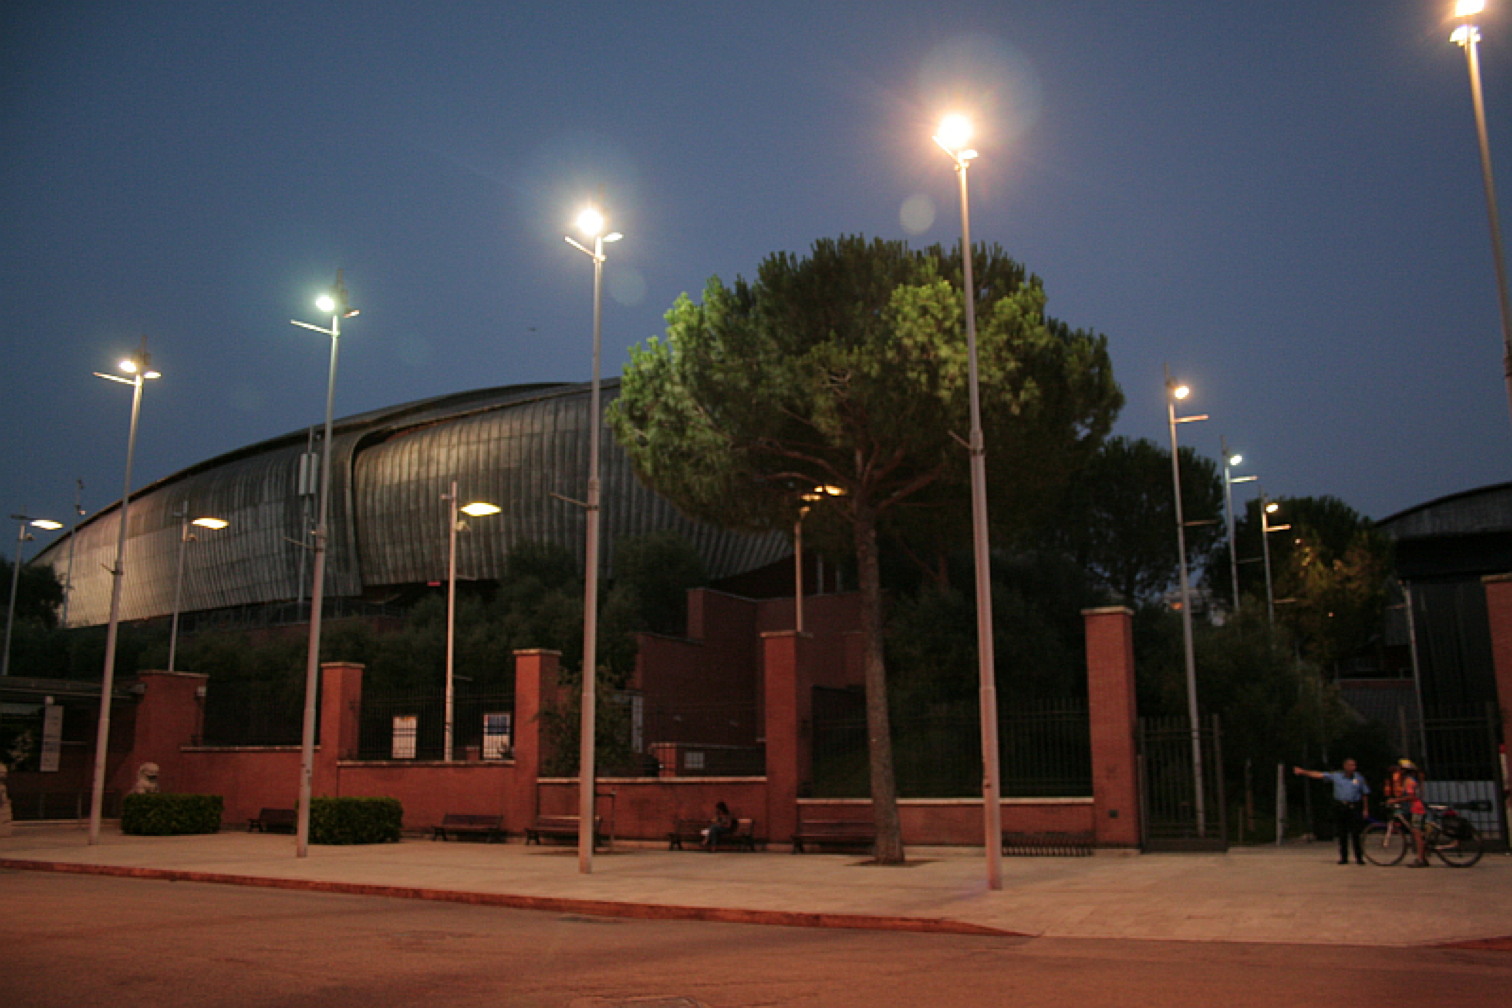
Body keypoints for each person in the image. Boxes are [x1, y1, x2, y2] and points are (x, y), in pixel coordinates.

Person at [1293, 759, 1370, 864]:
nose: (1353, 767)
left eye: (1354, 765)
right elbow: (1320, 775)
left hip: (1354, 806)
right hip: (1341, 806)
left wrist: (1365, 809)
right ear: (1345, 766)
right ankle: (1344, 857)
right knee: (1342, 833)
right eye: (1350, 765)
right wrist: (1303, 772)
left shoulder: (1359, 778)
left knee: (1356, 833)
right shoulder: (1337, 776)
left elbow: (1365, 793)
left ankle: (1359, 857)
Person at [1387, 759, 1430, 867]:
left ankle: (1420, 859)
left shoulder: (1408, 781)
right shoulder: (1413, 779)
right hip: (1417, 807)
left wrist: (1395, 800)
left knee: (1417, 834)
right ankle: (1423, 857)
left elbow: (1411, 797)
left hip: (1416, 808)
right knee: (1418, 833)